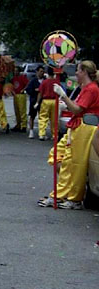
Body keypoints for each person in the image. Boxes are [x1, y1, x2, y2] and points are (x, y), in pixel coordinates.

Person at [38, 61, 99, 209]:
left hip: (84, 127)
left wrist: (64, 96)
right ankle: (65, 193)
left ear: (84, 71)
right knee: (58, 156)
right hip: (76, 126)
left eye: (78, 70)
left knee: (75, 164)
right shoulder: (85, 88)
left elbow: (78, 109)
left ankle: (69, 197)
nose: (76, 73)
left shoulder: (91, 89)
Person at [36, 67, 57, 140]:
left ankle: (42, 134)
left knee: (43, 117)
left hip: (46, 101)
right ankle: (54, 135)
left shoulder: (44, 82)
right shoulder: (56, 82)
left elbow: (40, 93)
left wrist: (37, 102)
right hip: (54, 101)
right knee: (54, 118)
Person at [26, 66, 45, 139]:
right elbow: (28, 90)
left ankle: (42, 132)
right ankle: (31, 131)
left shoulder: (45, 80)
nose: (42, 73)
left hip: (42, 101)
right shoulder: (33, 81)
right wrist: (34, 90)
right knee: (32, 116)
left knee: (42, 117)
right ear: (37, 72)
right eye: (40, 71)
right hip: (33, 101)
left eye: (43, 71)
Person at [10, 66, 29, 131]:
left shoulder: (22, 77)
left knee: (22, 111)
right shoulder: (13, 78)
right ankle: (18, 124)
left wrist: (23, 89)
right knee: (17, 111)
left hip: (21, 95)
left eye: (16, 71)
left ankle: (23, 126)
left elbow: (28, 84)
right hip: (15, 95)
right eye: (14, 71)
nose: (15, 72)